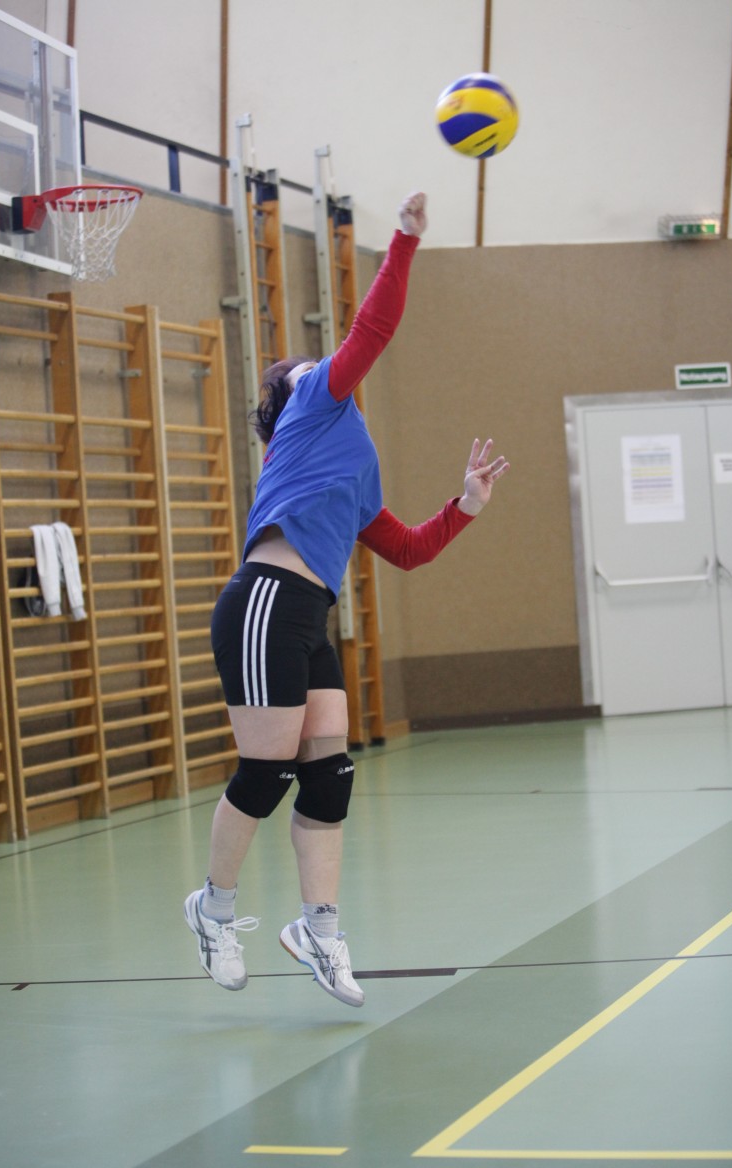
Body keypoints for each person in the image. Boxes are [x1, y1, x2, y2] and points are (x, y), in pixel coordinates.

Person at [184, 191, 509, 1008]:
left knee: (328, 777)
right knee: (265, 772)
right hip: (264, 601)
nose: (314, 364)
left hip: (307, 616)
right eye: (299, 368)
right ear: (293, 395)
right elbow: (373, 330)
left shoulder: (354, 461)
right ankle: (212, 910)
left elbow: (404, 549)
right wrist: (403, 240)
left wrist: (465, 506)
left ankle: (318, 931)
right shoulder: (313, 407)